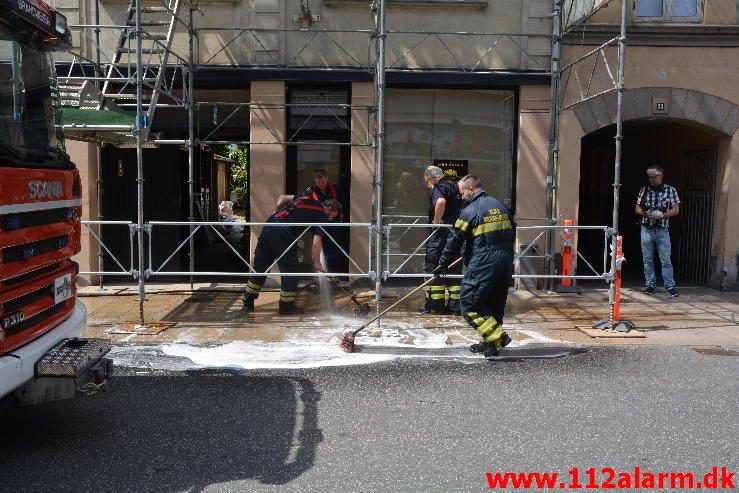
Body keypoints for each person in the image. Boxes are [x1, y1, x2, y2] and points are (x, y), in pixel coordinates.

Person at [435, 175, 515, 357]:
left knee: (470, 304)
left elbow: (455, 239)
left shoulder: (471, 210)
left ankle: (497, 337)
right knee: (493, 303)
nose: (461, 197)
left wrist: (442, 263)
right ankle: (490, 345)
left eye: (462, 193)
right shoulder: (500, 205)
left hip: (484, 260)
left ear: (470, 190)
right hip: (505, 259)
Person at [243, 197, 341, 315]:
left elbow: (283, 198)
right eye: (332, 216)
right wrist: (317, 263)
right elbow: (316, 242)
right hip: (284, 231)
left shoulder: (307, 198)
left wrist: (276, 213)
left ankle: (248, 298)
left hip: (270, 223)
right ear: (329, 209)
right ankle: (286, 307)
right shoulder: (321, 215)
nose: (331, 219)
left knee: (261, 265)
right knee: (290, 270)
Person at [275, 168, 346, 275]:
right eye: (318, 182)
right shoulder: (310, 191)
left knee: (334, 251)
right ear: (315, 181)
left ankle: (333, 278)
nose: (320, 184)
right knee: (319, 250)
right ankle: (320, 278)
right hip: (318, 225)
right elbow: (302, 202)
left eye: (322, 181)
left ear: (327, 178)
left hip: (334, 225)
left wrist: (336, 216)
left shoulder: (336, 189)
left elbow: (343, 205)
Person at [419, 166, 463, 314]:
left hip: (440, 237)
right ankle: (455, 306)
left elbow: (441, 202)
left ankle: (435, 305)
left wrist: (436, 222)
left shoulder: (439, 187)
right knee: (454, 270)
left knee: (434, 267)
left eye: (426, 182)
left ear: (432, 178)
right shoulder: (453, 186)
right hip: (455, 235)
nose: (427, 186)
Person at [635, 165, 680, 297]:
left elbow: (676, 209)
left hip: (662, 229)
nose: (651, 180)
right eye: (649, 178)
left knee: (665, 260)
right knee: (647, 259)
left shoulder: (671, 190)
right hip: (646, 229)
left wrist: (662, 215)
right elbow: (637, 208)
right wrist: (647, 215)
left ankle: (670, 286)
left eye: (653, 177)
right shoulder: (644, 190)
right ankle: (650, 285)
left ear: (660, 176)